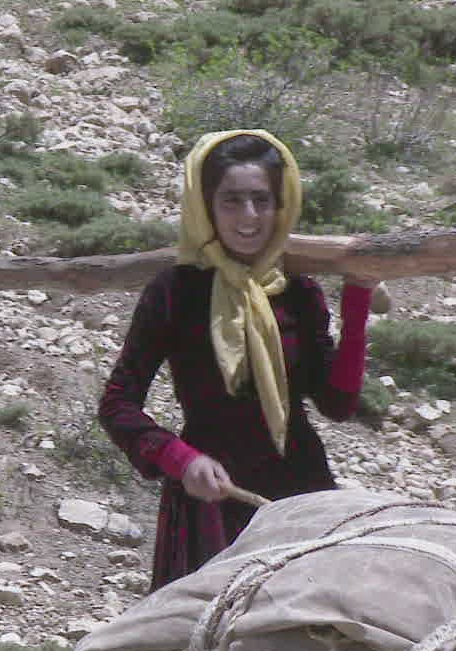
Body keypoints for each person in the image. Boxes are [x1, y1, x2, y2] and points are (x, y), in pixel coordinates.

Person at [98, 130, 377, 589]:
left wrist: (358, 301)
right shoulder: (175, 292)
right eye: (231, 200)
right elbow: (117, 403)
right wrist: (179, 459)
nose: (249, 216)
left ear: (280, 204)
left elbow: (338, 403)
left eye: (261, 200)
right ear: (206, 205)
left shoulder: (298, 292)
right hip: (211, 501)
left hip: (299, 493)